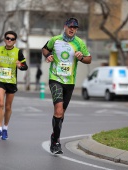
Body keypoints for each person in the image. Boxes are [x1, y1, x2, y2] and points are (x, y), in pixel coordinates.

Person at [42, 17, 92, 154]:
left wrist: (81, 57)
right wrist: (48, 56)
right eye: (70, 26)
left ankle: (54, 135)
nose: (72, 29)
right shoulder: (55, 39)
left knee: (61, 113)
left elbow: (89, 59)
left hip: (69, 82)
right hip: (55, 79)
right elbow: (45, 49)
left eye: (75, 27)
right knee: (58, 110)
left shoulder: (79, 43)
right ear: (65, 26)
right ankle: (56, 142)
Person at [0, 31, 28, 140]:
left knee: (8, 107)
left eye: (12, 39)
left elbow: (25, 66)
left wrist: (20, 65)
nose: (9, 40)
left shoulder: (18, 52)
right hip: (0, 80)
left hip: (11, 81)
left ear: (15, 41)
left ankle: (5, 128)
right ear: (4, 39)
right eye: (7, 38)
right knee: (0, 103)